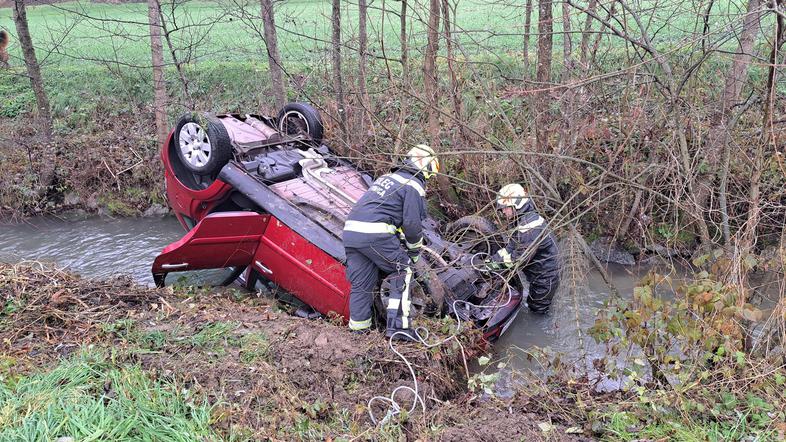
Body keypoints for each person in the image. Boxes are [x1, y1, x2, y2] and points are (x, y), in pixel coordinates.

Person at [342, 144, 439, 341]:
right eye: (430, 175)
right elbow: (411, 225)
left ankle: (358, 335)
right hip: (374, 234)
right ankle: (399, 328)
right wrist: (413, 252)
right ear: (425, 168)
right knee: (403, 270)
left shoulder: (387, 178)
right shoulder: (413, 184)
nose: (428, 180)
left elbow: (387, 213)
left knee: (362, 285)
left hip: (351, 233)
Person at [485, 183, 560, 313]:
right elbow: (511, 248)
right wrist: (490, 261)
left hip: (545, 278)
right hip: (540, 273)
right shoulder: (524, 219)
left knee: (537, 310)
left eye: (505, 207)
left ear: (516, 204)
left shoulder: (528, 228)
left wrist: (492, 267)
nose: (503, 211)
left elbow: (517, 260)